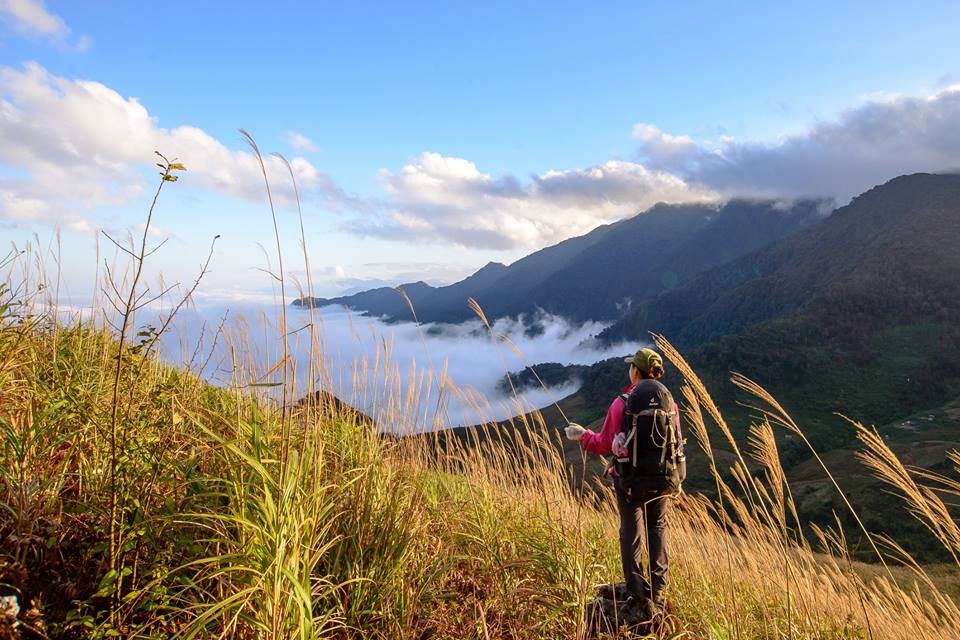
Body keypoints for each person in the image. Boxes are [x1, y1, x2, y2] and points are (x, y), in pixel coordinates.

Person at [565, 347, 683, 615]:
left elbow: (605, 443)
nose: (629, 370)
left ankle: (636, 591)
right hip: (662, 480)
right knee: (658, 526)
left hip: (629, 481)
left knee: (630, 532)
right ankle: (658, 588)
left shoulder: (623, 403)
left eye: (632, 366)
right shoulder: (670, 405)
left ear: (636, 371)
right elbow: (675, 446)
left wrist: (582, 435)